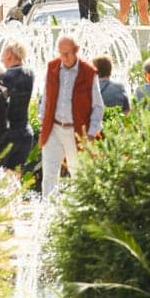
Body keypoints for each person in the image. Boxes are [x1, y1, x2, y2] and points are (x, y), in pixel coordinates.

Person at [38, 35, 103, 198]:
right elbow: (45, 98)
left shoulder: (88, 73)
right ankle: (48, 211)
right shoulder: (52, 67)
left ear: (76, 51)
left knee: (78, 174)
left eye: (67, 54)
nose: (63, 58)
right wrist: (42, 121)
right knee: (49, 174)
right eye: (61, 53)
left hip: (76, 131)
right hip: (53, 128)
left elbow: (98, 106)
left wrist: (91, 133)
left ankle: (78, 213)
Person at [0, 43, 35, 170]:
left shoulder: (5, 77)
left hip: (8, 135)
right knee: (13, 179)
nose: (1, 59)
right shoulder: (30, 74)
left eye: (3, 54)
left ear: (9, 55)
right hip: (26, 134)